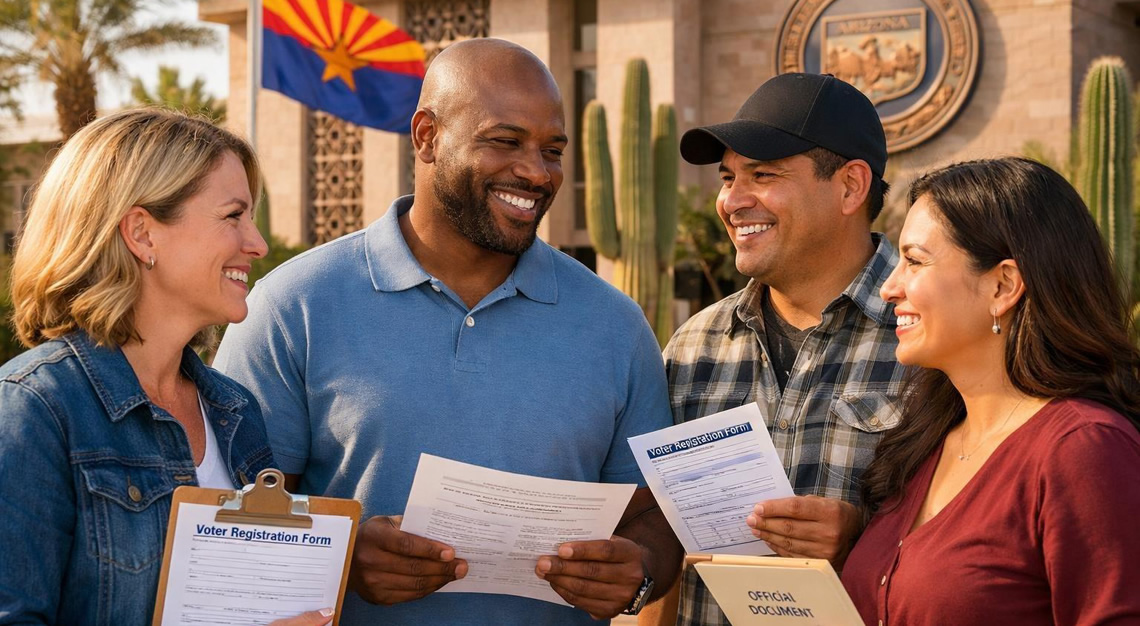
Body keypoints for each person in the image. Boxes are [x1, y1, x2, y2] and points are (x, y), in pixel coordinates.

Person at [214, 38, 682, 625]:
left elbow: (656, 518)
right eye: (505, 142)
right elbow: (222, 514)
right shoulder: (293, 306)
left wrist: (637, 568)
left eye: (553, 150)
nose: (536, 172)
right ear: (427, 136)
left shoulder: (616, 325)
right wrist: (338, 557)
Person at [0, 109, 335, 625]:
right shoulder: (35, 409)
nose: (258, 243)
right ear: (142, 233)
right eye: (233, 216)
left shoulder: (234, 409)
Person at [653, 73, 909, 626]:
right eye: (727, 177)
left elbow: (991, 540)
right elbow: (666, 548)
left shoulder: (928, 337)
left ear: (849, 186)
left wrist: (865, 538)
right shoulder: (693, 349)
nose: (731, 201)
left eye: (763, 175)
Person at [842, 157, 1140, 625]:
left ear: (1003, 285)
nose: (889, 288)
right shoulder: (926, 442)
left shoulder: (1083, 449)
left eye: (915, 261)